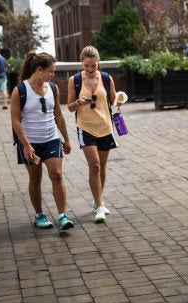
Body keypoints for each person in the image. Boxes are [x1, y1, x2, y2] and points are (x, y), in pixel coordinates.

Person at [10, 51, 74, 231]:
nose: (53, 74)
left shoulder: (53, 88)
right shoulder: (20, 90)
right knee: (35, 179)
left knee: (57, 174)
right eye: (51, 71)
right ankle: (39, 214)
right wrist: (26, 145)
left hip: (51, 139)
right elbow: (15, 119)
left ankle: (62, 215)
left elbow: (58, 115)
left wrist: (66, 139)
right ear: (39, 70)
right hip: (31, 143)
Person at [67, 46, 119, 223]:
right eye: (86, 66)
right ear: (82, 64)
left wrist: (120, 100)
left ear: (98, 63)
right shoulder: (74, 80)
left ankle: (98, 200)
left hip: (105, 126)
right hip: (85, 127)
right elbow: (69, 107)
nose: (90, 70)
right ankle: (99, 205)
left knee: (102, 166)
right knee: (95, 165)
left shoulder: (106, 78)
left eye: (93, 66)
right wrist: (78, 102)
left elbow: (113, 100)